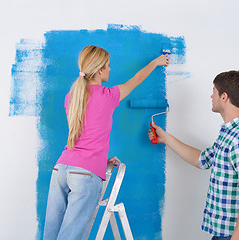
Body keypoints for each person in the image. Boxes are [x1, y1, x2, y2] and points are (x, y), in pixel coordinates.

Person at [43, 45, 169, 240]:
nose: (111, 69)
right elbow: (135, 80)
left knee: (51, 233)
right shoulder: (108, 96)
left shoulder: (71, 97)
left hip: (61, 169)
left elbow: (82, 138)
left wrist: (100, 160)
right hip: (85, 174)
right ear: (100, 70)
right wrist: (155, 62)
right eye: (108, 66)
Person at [149, 71, 239, 240]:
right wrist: (165, 138)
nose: (211, 96)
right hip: (224, 234)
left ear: (224, 97)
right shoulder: (229, 133)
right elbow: (203, 160)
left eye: (214, 91)